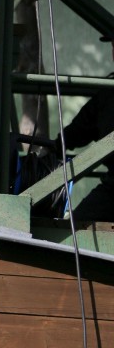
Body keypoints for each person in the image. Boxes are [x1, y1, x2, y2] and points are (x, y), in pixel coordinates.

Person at [54, 33, 114, 221]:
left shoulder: (108, 91)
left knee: (77, 232)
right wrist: (57, 145)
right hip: (113, 186)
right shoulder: (107, 92)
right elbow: (81, 128)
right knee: (78, 227)